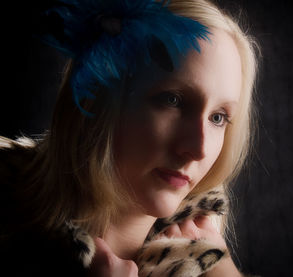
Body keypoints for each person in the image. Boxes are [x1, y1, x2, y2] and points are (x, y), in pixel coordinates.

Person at [0, 0, 259, 276]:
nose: (199, 148)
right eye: (172, 100)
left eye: (218, 117)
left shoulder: (211, 264)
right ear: (95, 98)